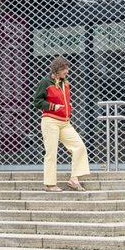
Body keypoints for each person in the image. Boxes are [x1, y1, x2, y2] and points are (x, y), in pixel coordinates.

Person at [33, 56, 89, 192]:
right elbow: (37, 102)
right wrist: (53, 106)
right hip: (50, 121)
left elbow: (64, 100)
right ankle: (50, 184)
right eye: (64, 69)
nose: (67, 71)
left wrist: (69, 106)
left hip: (65, 122)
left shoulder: (65, 83)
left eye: (67, 68)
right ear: (57, 70)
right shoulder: (45, 82)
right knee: (51, 153)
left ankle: (74, 179)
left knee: (79, 147)